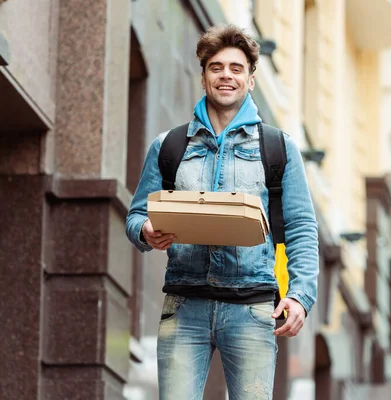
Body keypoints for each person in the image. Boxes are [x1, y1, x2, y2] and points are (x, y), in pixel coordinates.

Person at [125, 24, 319, 400]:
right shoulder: (170, 146)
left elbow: (301, 227)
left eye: (236, 68)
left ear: (250, 79)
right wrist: (146, 231)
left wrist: (300, 295)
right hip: (184, 306)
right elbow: (135, 215)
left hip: (252, 309)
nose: (226, 75)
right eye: (216, 67)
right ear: (203, 77)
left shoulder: (278, 148)